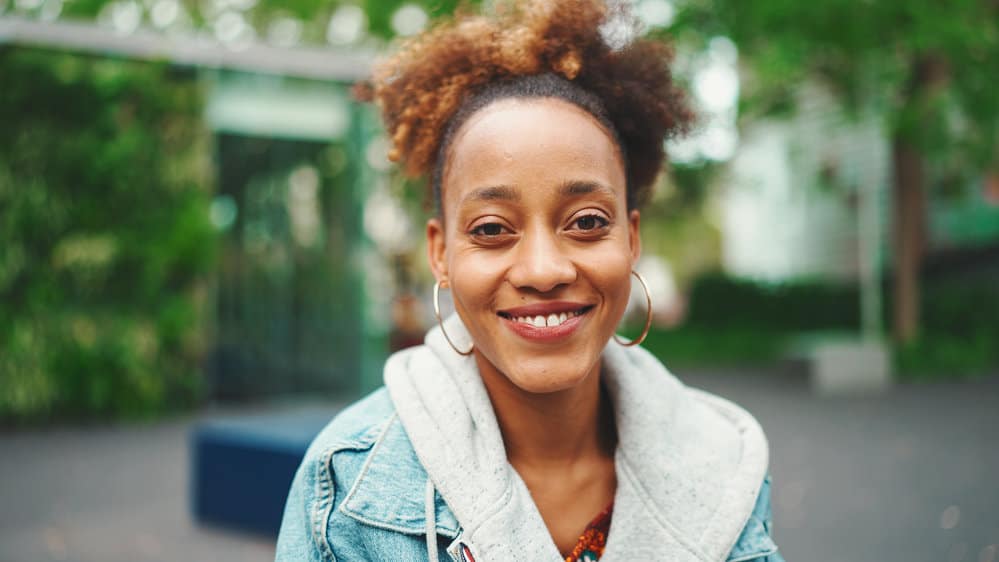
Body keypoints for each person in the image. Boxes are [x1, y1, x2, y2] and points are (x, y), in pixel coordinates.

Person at [276, 1, 784, 560]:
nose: (543, 270)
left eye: (587, 222)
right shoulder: (349, 487)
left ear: (632, 240)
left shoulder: (721, 465)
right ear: (440, 253)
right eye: (492, 228)